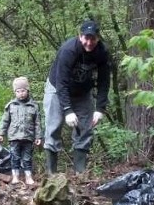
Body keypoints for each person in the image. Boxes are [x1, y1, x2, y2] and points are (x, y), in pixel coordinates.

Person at [43, 20, 111, 175]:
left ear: (97, 38)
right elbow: (61, 83)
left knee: (86, 128)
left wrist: (100, 108)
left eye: (92, 39)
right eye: (86, 38)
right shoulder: (69, 50)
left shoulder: (102, 52)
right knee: (53, 127)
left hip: (83, 91)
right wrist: (67, 110)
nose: (89, 42)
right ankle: (51, 174)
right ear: (80, 37)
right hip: (57, 88)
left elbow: (104, 81)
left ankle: (80, 174)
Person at [0, 77, 42, 186]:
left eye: (23, 91)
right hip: (14, 136)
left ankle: (28, 176)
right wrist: (0, 134)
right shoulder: (11, 105)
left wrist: (38, 137)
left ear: (27, 91)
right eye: (18, 91)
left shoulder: (34, 106)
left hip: (28, 136)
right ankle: (15, 176)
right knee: (14, 157)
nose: (20, 93)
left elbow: (37, 123)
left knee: (27, 158)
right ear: (15, 92)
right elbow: (5, 121)